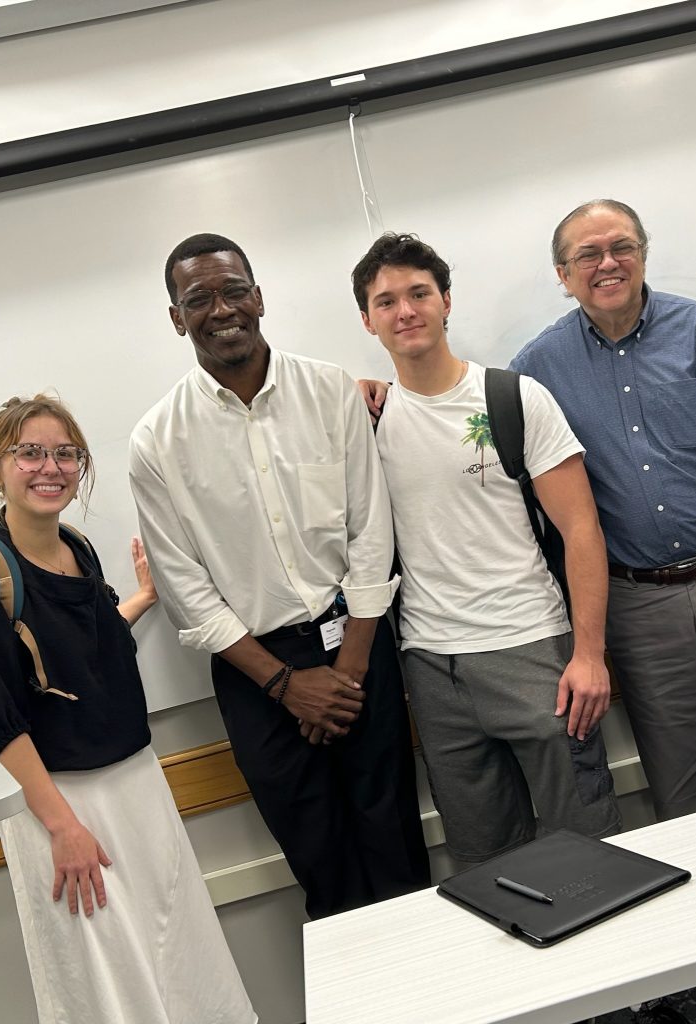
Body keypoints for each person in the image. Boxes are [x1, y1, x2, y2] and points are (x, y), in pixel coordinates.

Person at [129, 233, 429, 920]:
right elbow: (186, 590)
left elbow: (371, 532)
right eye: (198, 298)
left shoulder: (328, 390)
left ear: (258, 296)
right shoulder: (158, 440)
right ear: (177, 318)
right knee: (320, 864)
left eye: (234, 289)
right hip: (256, 675)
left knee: (396, 849)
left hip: (357, 645)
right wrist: (289, 687)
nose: (221, 309)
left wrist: (348, 672)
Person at [351, 232, 621, 864]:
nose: (406, 311)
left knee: (590, 849)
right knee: (488, 865)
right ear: (367, 319)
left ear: (446, 301)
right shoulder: (362, 418)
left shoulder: (514, 399)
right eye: (386, 302)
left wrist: (589, 654)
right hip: (433, 665)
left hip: (533, 651)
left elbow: (582, 528)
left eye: (419, 293)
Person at [0, 394, 255, 1024]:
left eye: (65, 453)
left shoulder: (76, 547)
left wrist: (137, 600)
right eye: (29, 453)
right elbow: (0, 719)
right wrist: (63, 828)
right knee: (108, 977)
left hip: (135, 779)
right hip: (62, 801)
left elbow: (83, 647)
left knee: (177, 953)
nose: (49, 467)